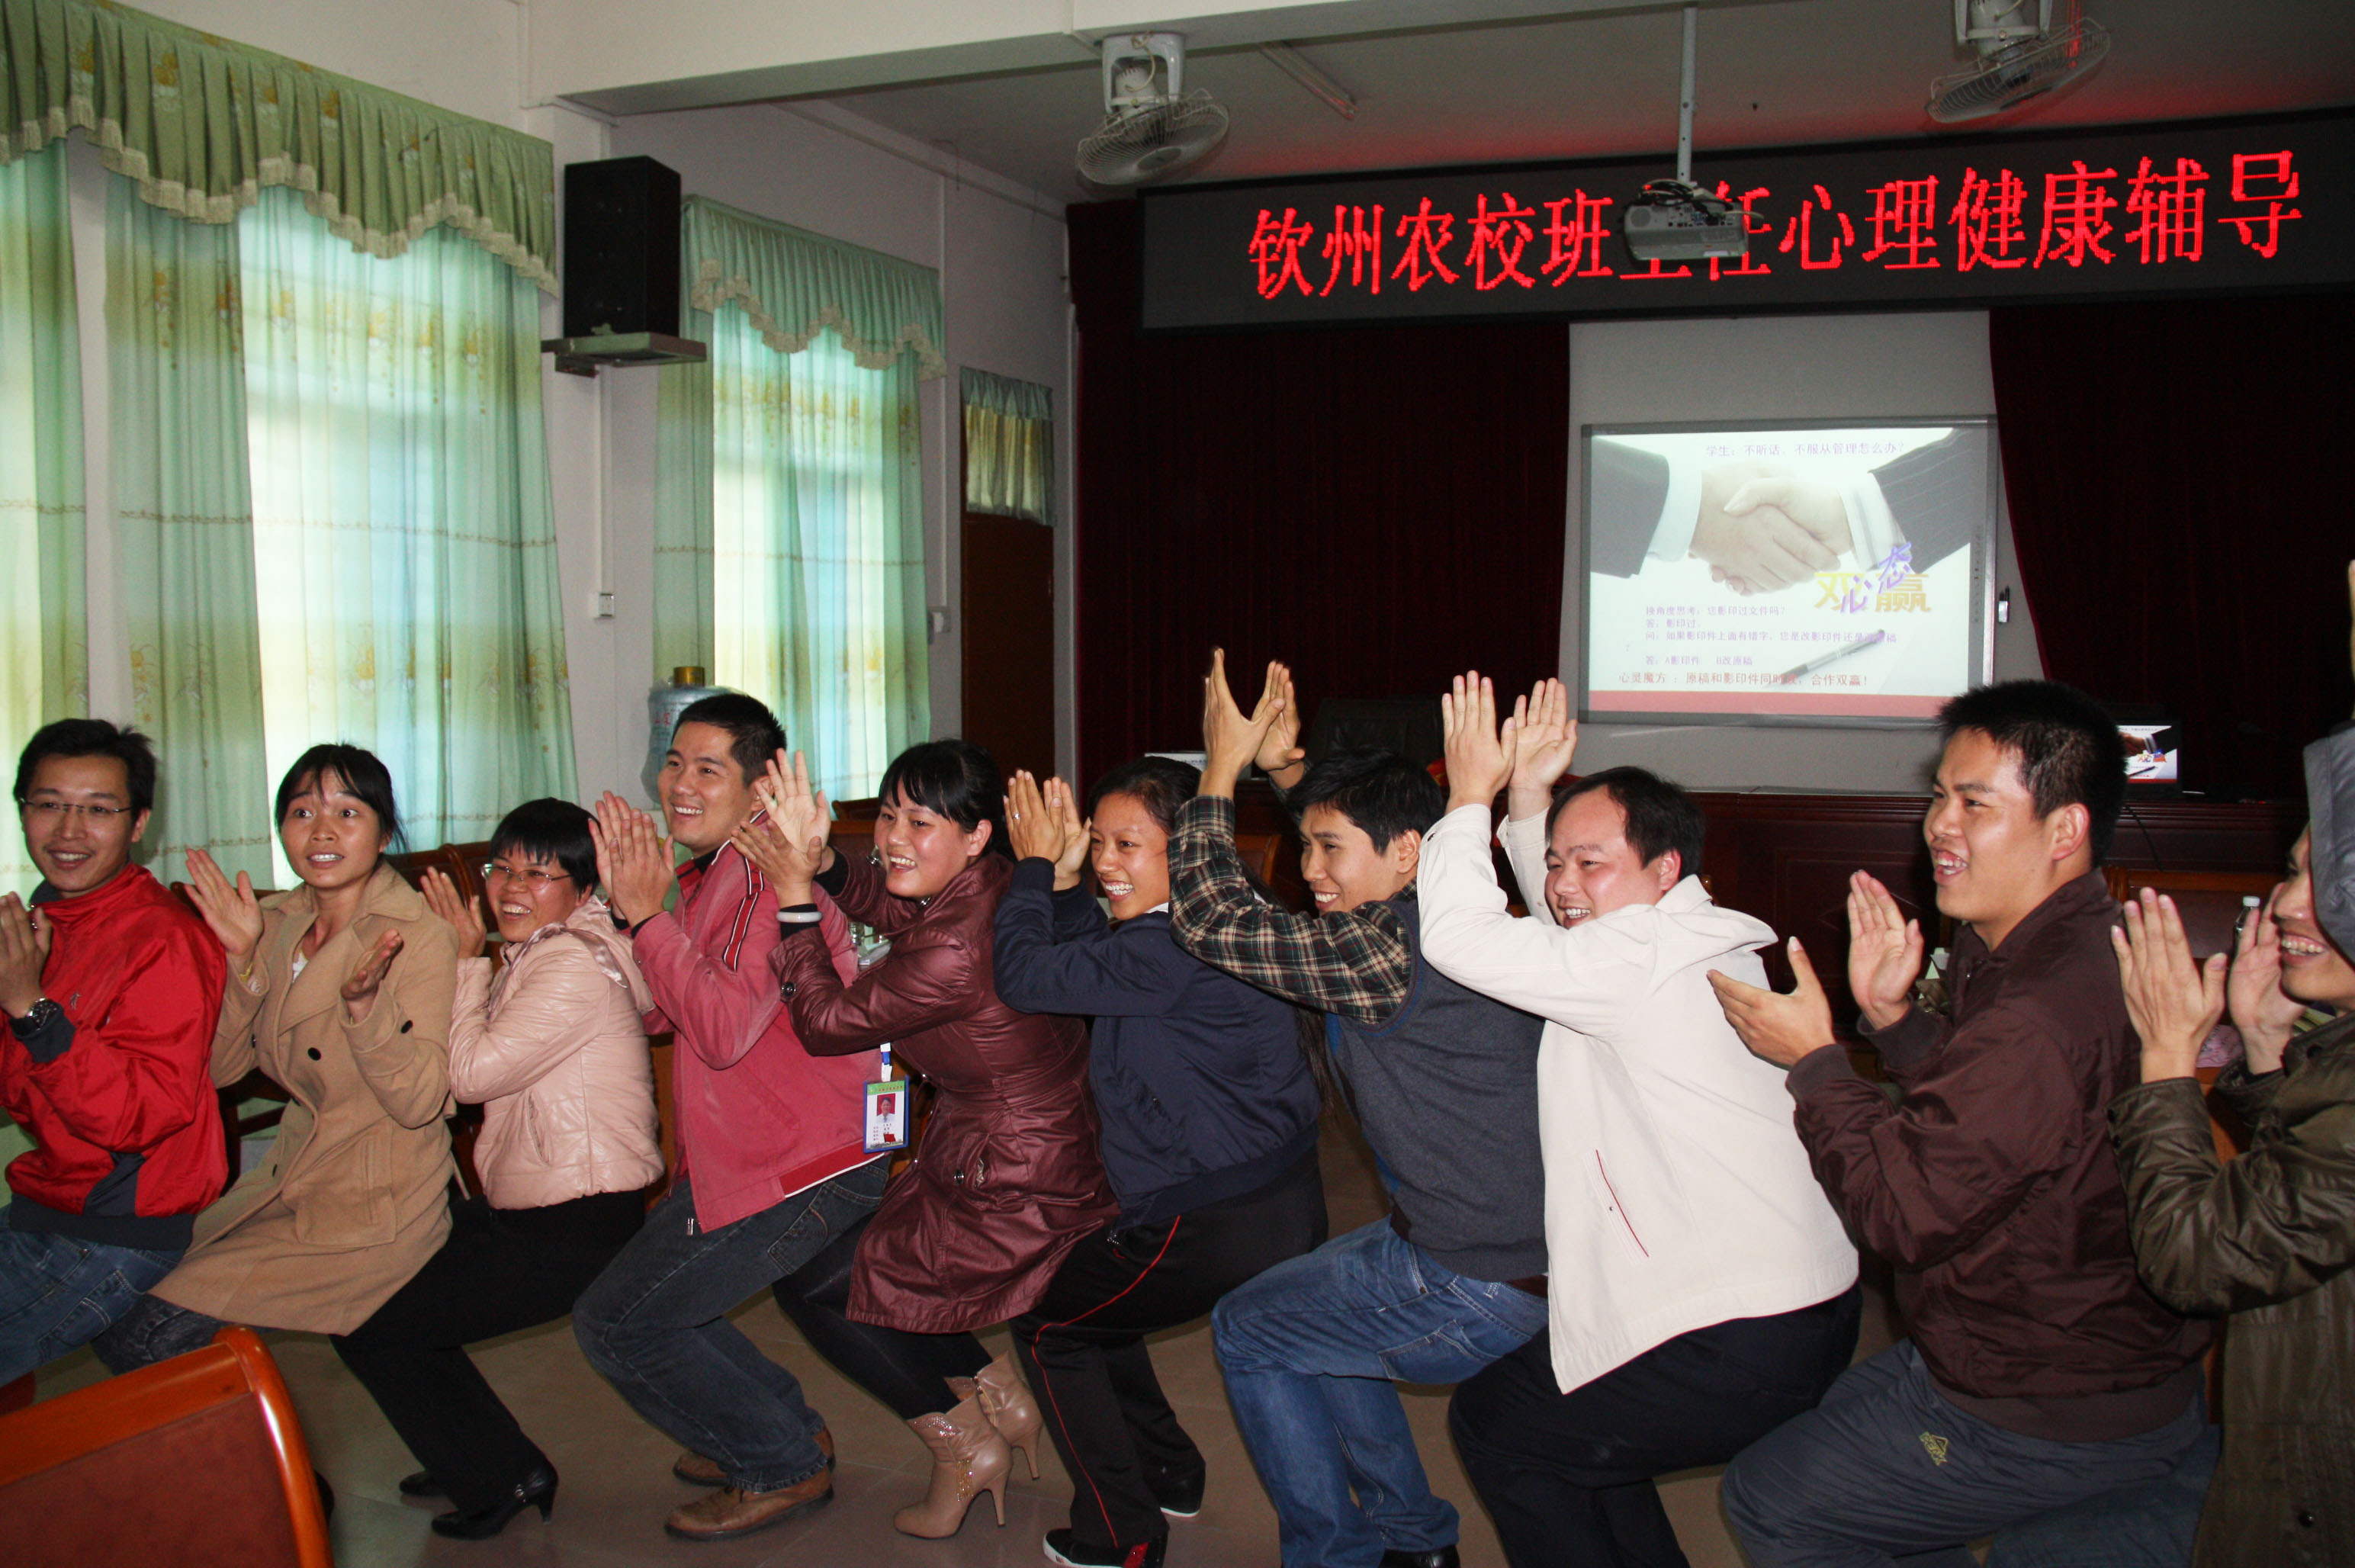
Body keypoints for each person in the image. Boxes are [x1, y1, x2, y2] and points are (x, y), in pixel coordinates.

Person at [1707, 680, 2215, 1566]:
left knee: (1772, 1500)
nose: (1938, 823)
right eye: (1939, 795)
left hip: (2054, 1392)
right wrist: (1895, 1022)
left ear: (2063, 830)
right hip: (2057, 1341)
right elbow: (2005, 1113)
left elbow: (1901, 1215)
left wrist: (1815, 1059)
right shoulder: (2044, 941)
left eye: (1973, 803)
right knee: (1834, 1424)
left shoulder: (2041, 1007)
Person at [1415, 676, 1859, 1568]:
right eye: (1556, 860)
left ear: (1666, 870)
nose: (1561, 883)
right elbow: (1570, 932)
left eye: (1591, 862)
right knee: (1580, 1444)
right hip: (1798, 1308)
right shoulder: (1685, 934)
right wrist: (1529, 796)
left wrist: (1468, 796)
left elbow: (1460, 939)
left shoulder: (1639, 954)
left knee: (1501, 1427)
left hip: (1737, 1330)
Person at [1171, 652, 1549, 1568]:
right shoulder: (1451, 914)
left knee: (1249, 1329)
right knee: (1311, 1320)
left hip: (1473, 1278)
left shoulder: (1382, 949)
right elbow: (1356, 836)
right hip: (1508, 1249)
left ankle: (1337, 1554)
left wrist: (1221, 767)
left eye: (1327, 849)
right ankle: (1414, 1543)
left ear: (1408, 851)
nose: (1309, 869)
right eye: (1304, 846)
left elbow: (1210, 919)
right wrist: (1287, 769)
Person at [731, 740, 1120, 1541]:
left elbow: (826, 1022)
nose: (893, 838)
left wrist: (797, 897)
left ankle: (962, 1443)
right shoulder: (990, 883)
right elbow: (896, 903)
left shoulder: (956, 947)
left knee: (823, 1287)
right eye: (887, 816)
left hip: (1018, 1172)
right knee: (847, 1277)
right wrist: (824, 863)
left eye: (919, 822)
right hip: (1012, 1142)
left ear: (976, 836)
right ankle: (995, 1395)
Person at [991, 757, 1329, 1568]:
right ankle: (1169, 1469)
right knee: (1097, 1307)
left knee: (1047, 1322)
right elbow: (1092, 969)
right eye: (1098, 841)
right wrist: (1067, 885)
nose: (1106, 861)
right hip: (1273, 1195)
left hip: (1213, 1216)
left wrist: (1032, 869)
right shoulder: (1220, 918)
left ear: (1189, 850)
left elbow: (1026, 976)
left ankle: (1122, 1533)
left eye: (1128, 845)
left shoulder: (1173, 942)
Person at [568, 694, 879, 1544]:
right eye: (674, 762)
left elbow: (719, 1027)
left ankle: (778, 1461)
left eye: (708, 769)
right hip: (751, 1154)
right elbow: (667, 1010)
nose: (680, 783)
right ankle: (782, 1429)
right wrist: (625, 921)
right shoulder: (712, 872)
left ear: (758, 790)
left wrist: (646, 917)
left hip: (805, 1162)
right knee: (656, 1305)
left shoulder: (765, 878)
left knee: (618, 1322)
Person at [2095, 562, 2355, 1566]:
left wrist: (2167, 1059)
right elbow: (2301, 1196)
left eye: (2321, 877)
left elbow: (2194, 1261)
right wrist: (2265, 1048)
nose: (2284, 905)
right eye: (2291, 872)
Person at [332, 799, 663, 1539]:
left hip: (569, 1223)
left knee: (364, 1318)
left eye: (539, 874)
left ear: (584, 888)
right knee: (381, 1283)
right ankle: (472, 1452)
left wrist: (464, 958)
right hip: (546, 1203)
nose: (512, 887)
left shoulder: (569, 964)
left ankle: (496, 1470)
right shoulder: (552, 947)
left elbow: (470, 1074)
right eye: (502, 867)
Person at [92, 745, 460, 1371]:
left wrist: (366, 1010)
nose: (322, 831)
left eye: (348, 812)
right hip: (290, 1177)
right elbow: (219, 1073)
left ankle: (264, 1441)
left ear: (384, 833)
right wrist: (240, 962)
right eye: (302, 812)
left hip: (378, 1202)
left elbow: (419, 1101)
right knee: (118, 1311)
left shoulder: (420, 934)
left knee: (149, 1334)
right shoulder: (271, 921)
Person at [0, 720, 227, 1383]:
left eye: (98, 810)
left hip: (108, 1231)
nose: (69, 831)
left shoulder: (163, 939)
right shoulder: (47, 921)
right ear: (22, 811)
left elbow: (142, 1114)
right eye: (49, 804)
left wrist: (31, 1010)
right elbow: (20, 1087)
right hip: (49, 1202)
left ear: (138, 825)